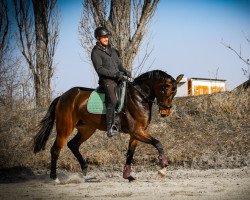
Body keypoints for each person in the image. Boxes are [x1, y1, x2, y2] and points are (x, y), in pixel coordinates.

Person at [91, 26, 131, 137]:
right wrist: (115, 74)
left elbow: (119, 65)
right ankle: (110, 128)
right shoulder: (95, 52)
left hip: (118, 78)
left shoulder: (113, 51)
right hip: (106, 81)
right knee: (113, 100)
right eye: (103, 37)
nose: (106, 39)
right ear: (98, 38)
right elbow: (99, 69)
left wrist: (125, 71)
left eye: (107, 37)